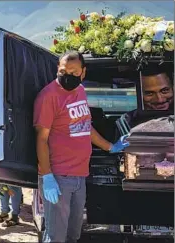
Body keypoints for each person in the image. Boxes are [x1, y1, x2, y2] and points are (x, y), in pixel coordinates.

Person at [33, 50, 130, 243]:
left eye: (74, 72)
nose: (68, 75)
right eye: (63, 71)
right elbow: (41, 139)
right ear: (57, 70)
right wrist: (47, 175)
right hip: (59, 177)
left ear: (83, 73)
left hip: (80, 175)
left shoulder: (80, 91)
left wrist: (110, 147)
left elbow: (86, 126)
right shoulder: (48, 96)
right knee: (55, 237)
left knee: (73, 235)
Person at [123, 63, 174, 128]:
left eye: (164, 91)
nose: (160, 100)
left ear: (173, 87)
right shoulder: (127, 121)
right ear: (139, 94)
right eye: (150, 93)